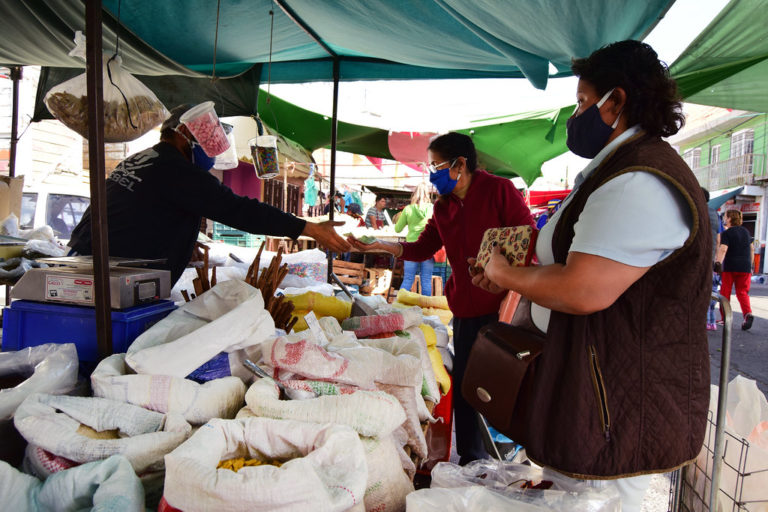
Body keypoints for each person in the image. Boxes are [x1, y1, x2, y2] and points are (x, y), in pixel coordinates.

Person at [470, 41, 710, 512]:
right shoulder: (616, 171)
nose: (575, 117)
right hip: (593, 391)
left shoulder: (639, 182)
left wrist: (505, 273)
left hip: (617, 409)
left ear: (615, 102)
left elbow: (582, 288)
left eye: (582, 102)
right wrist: (517, 274)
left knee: (598, 503)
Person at [348, 132, 534, 465]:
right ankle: (471, 460)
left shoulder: (499, 191)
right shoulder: (443, 206)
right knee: (466, 385)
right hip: (463, 309)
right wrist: (380, 245)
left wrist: (502, 269)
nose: (430, 172)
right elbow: (421, 246)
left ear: (460, 164)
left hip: (503, 310)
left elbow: (527, 235)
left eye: (435, 165)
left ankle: (510, 450)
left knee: (504, 383)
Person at [68, 104, 350, 286]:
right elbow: (238, 209)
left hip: (86, 258)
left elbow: (140, 211)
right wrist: (308, 227)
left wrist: (177, 241)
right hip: (106, 274)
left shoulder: (147, 158)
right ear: (181, 133)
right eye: (204, 138)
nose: (210, 148)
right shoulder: (175, 168)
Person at [716, 209, 754, 330]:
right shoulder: (746, 232)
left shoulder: (727, 233)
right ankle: (747, 314)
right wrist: (751, 264)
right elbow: (752, 249)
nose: (724, 219)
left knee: (725, 293)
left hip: (730, 267)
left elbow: (723, 249)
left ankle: (725, 319)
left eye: (726, 217)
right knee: (742, 292)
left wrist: (718, 263)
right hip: (745, 266)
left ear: (730, 219)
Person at [395, 182, 435, 296]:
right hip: (428, 247)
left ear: (414, 194)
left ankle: (400, 307)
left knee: (408, 279)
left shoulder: (408, 209)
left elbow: (398, 229)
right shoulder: (432, 208)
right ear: (427, 194)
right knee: (426, 280)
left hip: (411, 247)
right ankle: (425, 309)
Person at [702, 187, 723, 331]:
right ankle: (708, 320)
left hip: (694, 257)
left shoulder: (695, 209)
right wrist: (716, 259)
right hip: (709, 257)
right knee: (706, 288)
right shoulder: (715, 214)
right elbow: (718, 238)